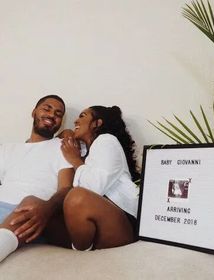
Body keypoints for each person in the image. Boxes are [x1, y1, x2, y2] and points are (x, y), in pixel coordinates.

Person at [0, 95, 74, 262]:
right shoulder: (7, 148)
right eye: (46, 108)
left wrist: (47, 208)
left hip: (31, 213)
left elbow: (66, 188)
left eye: (58, 113)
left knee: (30, 202)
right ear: (34, 112)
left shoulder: (62, 147)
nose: (51, 115)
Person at [60, 105, 140, 251]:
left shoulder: (107, 140)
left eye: (82, 115)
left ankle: (79, 254)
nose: (76, 120)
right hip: (97, 222)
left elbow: (93, 188)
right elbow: (64, 137)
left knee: (77, 197)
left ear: (97, 123)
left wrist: (75, 160)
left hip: (123, 221)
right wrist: (67, 134)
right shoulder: (88, 151)